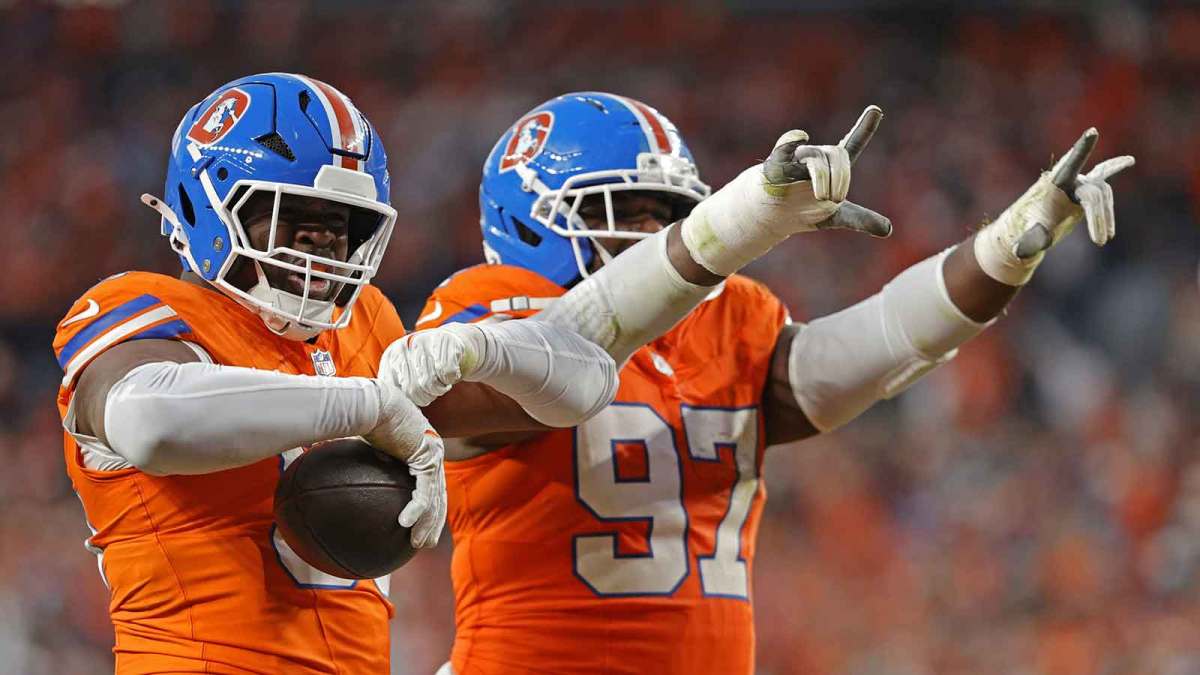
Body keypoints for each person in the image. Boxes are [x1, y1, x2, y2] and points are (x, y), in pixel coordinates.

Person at [53, 75, 884, 674]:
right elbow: (150, 419)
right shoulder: (137, 306)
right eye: (292, 220)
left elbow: (580, 346)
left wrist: (740, 224)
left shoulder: (369, 323)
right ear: (206, 203)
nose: (319, 252)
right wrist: (372, 404)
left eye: (342, 230)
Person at [415, 92, 1134, 675]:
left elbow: (873, 347)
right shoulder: (491, 304)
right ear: (530, 222)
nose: (654, 234)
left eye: (669, 215)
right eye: (626, 213)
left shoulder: (727, 320)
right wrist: (739, 220)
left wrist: (1005, 249)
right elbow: (506, 381)